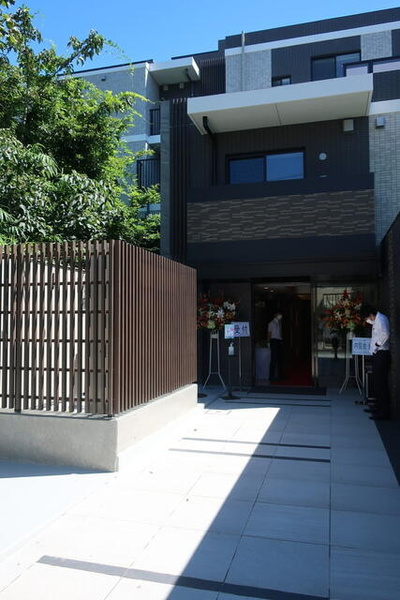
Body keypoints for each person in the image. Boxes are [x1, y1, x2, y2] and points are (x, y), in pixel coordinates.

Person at [363, 305, 391, 420]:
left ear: (371, 315)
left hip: (382, 354)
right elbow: (371, 323)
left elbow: (385, 334)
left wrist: (376, 345)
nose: (367, 320)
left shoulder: (381, 319)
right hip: (378, 355)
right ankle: (378, 408)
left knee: (381, 384)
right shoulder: (376, 320)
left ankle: (384, 412)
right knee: (377, 383)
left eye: (367, 317)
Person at [268, 311, 283, 382]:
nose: (280, 315)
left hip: (279, 340)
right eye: (279, 314)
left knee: (280, 358)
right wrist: (268, 342)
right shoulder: (271, 323)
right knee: (273, 359)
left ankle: (279, 375)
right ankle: (271, 376)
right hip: (274, 340)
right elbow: (269, 333)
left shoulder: (279, 323)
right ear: (275, 315)